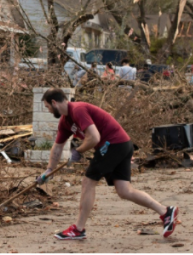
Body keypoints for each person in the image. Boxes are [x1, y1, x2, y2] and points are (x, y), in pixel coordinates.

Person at [36, 89, 178, 240]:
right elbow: (57, 146)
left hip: (113, 144)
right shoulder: (65, 121)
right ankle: (165, 211)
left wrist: (78, 151)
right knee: (124, 190)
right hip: (121, 144)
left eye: (47, 107)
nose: (49, 110)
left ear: (54, 102)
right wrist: (49, 170)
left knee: (88, 181)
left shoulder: (77, 110)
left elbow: (94, 137)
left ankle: (78, 229)